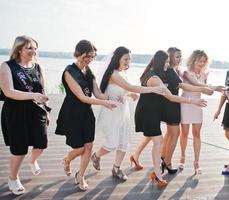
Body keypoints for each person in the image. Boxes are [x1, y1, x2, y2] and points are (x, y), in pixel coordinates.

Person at [131, 48, 215, 176]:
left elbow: (187, 79)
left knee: (163, 134)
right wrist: (203, 90)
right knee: (172, 134)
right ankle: (165, 161)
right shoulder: (170, 70)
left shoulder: (175, 70)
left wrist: (206, 86)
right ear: (169, 58)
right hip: (171, 103)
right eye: (176, 57)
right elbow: (182, 86)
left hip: (169, 103)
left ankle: (153, 158)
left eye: (180, 56)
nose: (179, 59)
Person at [90, 46, 165, 181]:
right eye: (125, 59)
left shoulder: (122, 72)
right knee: (112, 143)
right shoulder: (114, 73)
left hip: (123, 110)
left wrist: (130, 94)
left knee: (123, 141)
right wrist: (153, 89)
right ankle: (96, 156)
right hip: (111, 111)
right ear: (117, 58)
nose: (128, 62)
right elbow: (129, 86)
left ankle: (116, 168)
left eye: (129, 59)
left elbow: (123, 89)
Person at [55, 40, 116, 191]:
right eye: (87, 56)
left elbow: (98, 94)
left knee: (88, 147)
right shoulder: (69, 71)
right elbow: (81, 97)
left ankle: (80, 176)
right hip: (72, 113)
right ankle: (67, 159)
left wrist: (112, 98)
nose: (89, 59)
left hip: (87, 114)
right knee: (80, 148)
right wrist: (103, 104)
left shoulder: (89, 72)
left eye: (92, 56)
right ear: (78, 53)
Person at [0, 36, 50, 195]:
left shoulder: (38, 67)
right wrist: (33, 96)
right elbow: (9, 92)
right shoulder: (7, 66)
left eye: (35, 48)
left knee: (41, 144)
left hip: (37, 111)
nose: (33, 51)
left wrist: (46, 109)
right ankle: (13, 178)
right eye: (29, 47)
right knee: (19, 149)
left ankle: (33, 160)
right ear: (19, 49)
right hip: (16, 112)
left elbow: (43, 91)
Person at [180, 50, 224, 174]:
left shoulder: (205, 74)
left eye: (204, 61)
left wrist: (211, 89)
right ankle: (182, 158)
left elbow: (204, 86)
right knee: (184, 133)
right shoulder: (186, 73)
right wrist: (213, 88)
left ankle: (196, 162)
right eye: (200, 60)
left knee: (197, 134)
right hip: (186, 104)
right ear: (193, 60)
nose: (202, 63)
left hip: (198, 105)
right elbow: (197, 84)